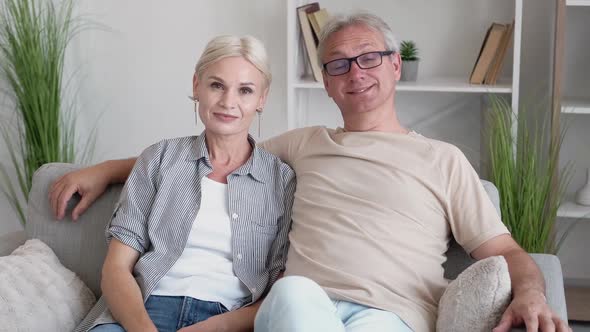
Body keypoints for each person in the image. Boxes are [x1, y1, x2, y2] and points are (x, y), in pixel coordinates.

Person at [51, 13, 570, 332]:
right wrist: (104, 170)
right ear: (326, 83)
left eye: (369, 58)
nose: (355, 73)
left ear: (395, 65)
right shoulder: (301, 147)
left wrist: (529, 292)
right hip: (296, 308)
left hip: (387, 317)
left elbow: (506, 253)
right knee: (294, 292)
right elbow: (212, 150)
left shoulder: (443, 159)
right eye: (338, 65)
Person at [65, 35, 296, 332]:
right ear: (196, 85)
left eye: (245, 90)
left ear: (261, 99)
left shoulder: (281, 180)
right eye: (216, 85)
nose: (228, 102)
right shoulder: (159, 159)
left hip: (227, 321)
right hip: (142, 313)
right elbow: (116, 269)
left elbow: (279, 290)